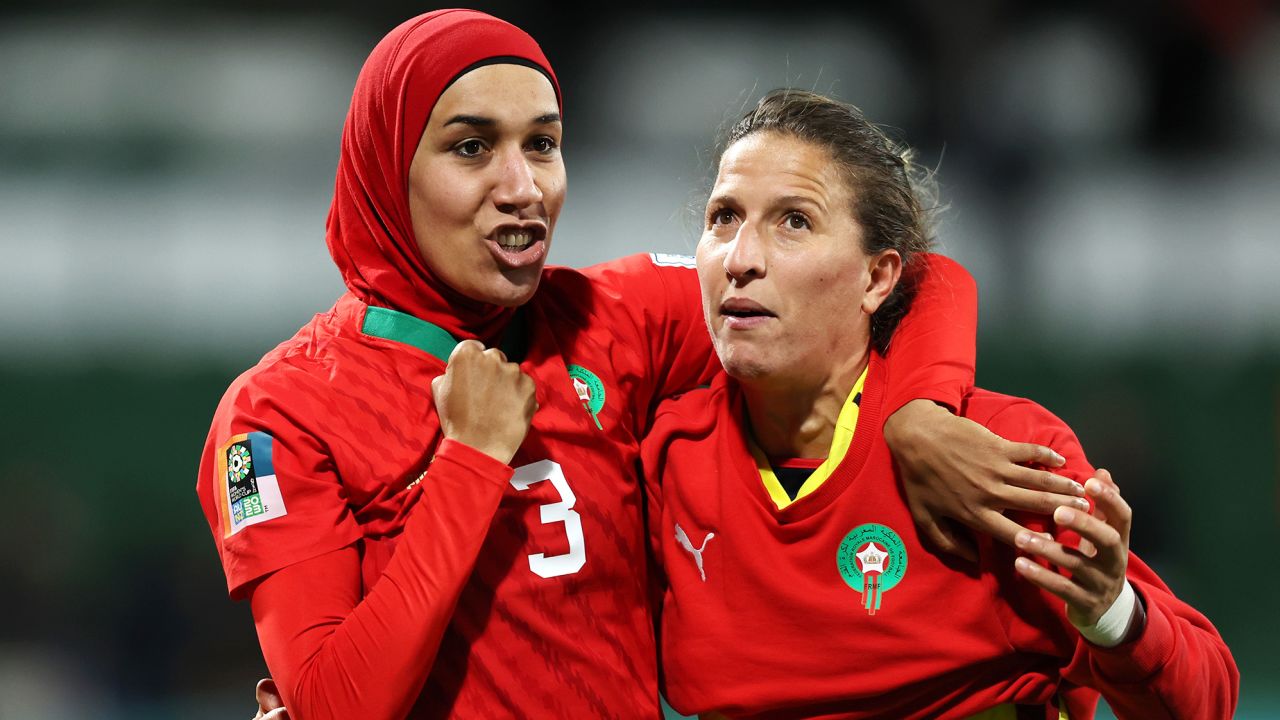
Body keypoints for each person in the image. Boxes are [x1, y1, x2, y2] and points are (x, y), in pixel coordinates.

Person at [197, 11, 1066, 720]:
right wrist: (469, 463)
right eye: (471, 148)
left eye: (542, 143)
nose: (522, 186)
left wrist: (917, 415)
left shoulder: (613, 316)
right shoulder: (281, 414)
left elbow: (913, 277)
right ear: (388, 168)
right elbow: (340, 707)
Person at [646, 89, 1239, 719]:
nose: (741, 258)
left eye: (794, 221)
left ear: (876, 278)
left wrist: (1112, 614)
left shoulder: (995, 455)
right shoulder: (667, 457)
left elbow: (1203, 703)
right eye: (723, 218)